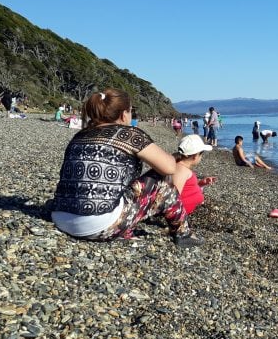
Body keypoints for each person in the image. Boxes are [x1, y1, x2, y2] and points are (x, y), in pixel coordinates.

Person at [50, 88, 203, 248]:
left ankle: (121, 228)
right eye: (131, 111)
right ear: (124, 114)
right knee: (164, 181)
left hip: (60, 217)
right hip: (97, 226)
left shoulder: (80, 135)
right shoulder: (129, 134)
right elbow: (170, 168)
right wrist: (176, 157)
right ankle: (183, 233)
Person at [163, 135, 217, 214]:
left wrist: (200, 184)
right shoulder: (181, 170)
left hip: (193, 210)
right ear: (195, 156)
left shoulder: (182, 169)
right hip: (183, 213)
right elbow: (172, 197)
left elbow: (185, 188)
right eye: (201, 154)